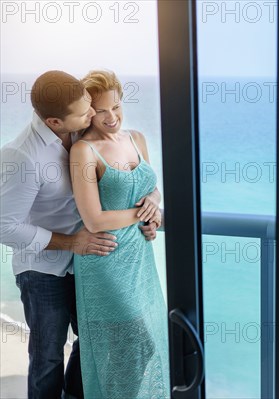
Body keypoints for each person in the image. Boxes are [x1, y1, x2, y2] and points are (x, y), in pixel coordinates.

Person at [0, 70, 155, 398]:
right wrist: (71, 241)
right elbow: (4, 225)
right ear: (55, 122)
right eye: (88, 112)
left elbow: (125, 177)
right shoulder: (23, 157)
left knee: (93, 345)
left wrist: (150, 206)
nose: (94, 116)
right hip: (44, 271)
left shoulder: (80, 129)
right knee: (47, 357)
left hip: (91, 264)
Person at [69, 69, 170, 398]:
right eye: (100, 110)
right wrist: (140, 214)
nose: (111, 116)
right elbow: (94, 219)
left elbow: (151, 188)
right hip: (105, 259)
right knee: (132, 345)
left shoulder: (137, 139)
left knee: (147, 342)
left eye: (116, 106)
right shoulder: (83, 151)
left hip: (140, 258)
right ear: (88, 113)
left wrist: (153, 206)